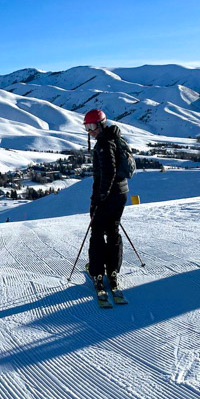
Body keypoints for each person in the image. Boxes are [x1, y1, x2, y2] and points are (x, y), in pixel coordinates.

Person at [84, 108, 129, 294]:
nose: (90, 131)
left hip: (108, 194)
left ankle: (97, 273)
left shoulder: (104, 144)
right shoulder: (113, 138)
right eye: (87, 127)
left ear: (101, 124)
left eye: (93, 126)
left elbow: (108, 172)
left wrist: (100, 197)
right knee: (113, 230)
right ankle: (112, 271)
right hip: (121, 192)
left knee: (96, 232)